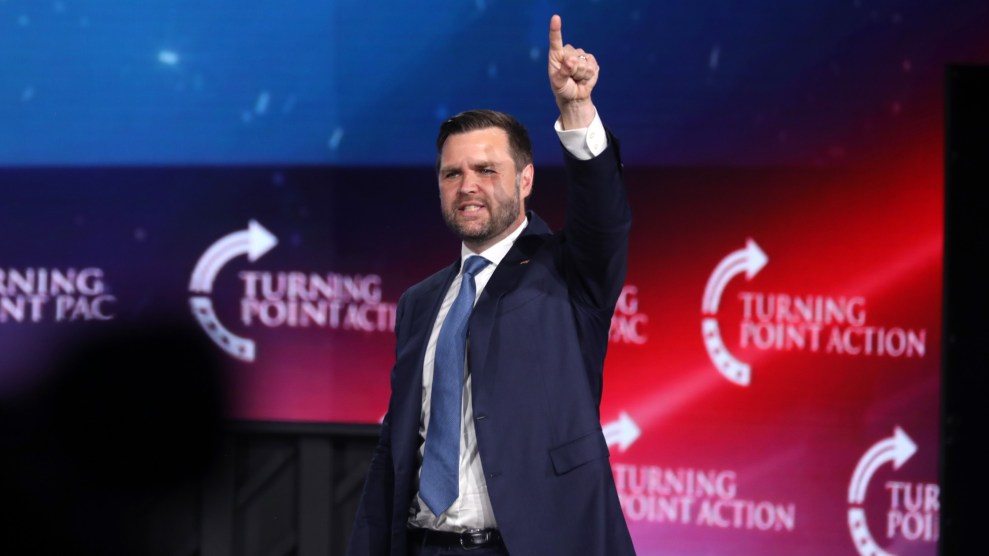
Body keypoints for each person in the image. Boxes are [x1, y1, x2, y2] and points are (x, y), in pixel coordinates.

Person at [348, 14, 635, 555]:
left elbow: (604, 217)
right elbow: (395, 450)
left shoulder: (569, 271)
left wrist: (576, 111)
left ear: (525, 179)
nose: (468, 187)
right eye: (452, 174)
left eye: (486, 170)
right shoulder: (420, 303)